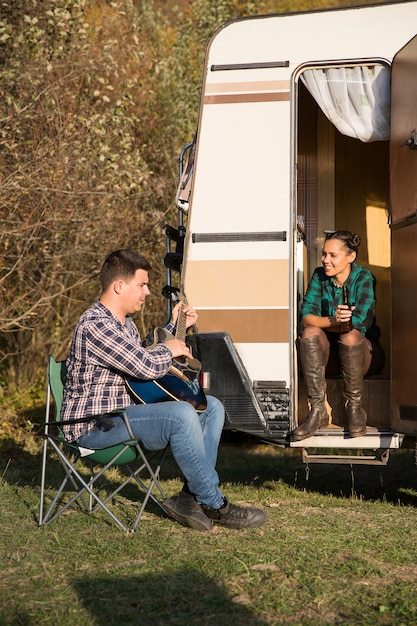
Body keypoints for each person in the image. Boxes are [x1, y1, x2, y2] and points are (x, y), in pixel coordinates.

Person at [61, 249, 266, 531]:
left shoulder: (124, 324)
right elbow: (144, 366)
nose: (147, 292)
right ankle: (215, 504)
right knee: (181, 414)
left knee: (211, 406)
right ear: (119, 286)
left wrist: (174, 326)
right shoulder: (96, 325)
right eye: (142, 285)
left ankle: (189, 498)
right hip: (95, 426)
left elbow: (139, 355)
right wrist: (168, 350)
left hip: (123, 416)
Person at [292, 230, 385, 441]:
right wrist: (335, 321)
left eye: (332, 255)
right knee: (309, 333)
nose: (325, 260)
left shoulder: (364, 277)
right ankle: (317, 411)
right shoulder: (319, 275)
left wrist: (339, 323)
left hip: (366, 356)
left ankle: (355, 409)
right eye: (324, 254)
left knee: (350, 336)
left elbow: (361, 322)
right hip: (331, 356)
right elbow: (306, 317)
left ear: (350, 257)